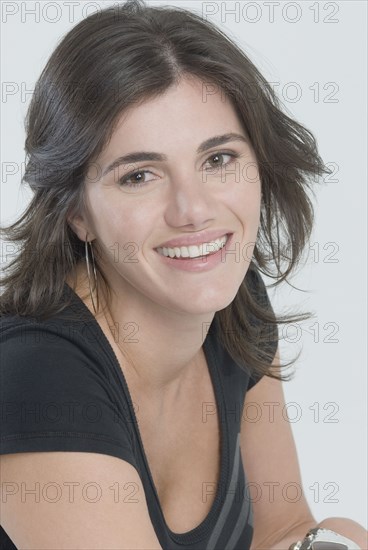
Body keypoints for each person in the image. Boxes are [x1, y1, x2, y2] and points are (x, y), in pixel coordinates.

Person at [0, 1, 366, 549]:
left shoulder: (233, 300)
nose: (192, 210)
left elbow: (285, 531)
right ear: (76, 213)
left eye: (218, 159)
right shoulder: (36, 379)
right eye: (140, 175)